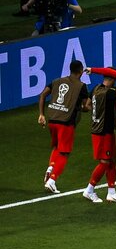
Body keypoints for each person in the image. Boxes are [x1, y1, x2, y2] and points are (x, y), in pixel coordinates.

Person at [81, 67, 116, 204]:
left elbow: (86, 106)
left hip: (102, 129)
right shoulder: (107, 92)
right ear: (112, 78)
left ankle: (111, 192)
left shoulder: (96, 88)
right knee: (105, 162)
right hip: (102, 132)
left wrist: (97, 111)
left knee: (111, 161)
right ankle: (89, 189)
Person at [38, 60, 88, 193]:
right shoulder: (81, 86)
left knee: (56, 146)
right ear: (81, 71)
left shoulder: (56, 81)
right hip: (66, 123)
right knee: (65, 152)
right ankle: (52, 180)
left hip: (52, 120)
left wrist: (41, 115)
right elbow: (85, 107)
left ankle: (50, 168)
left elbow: (42, 95)